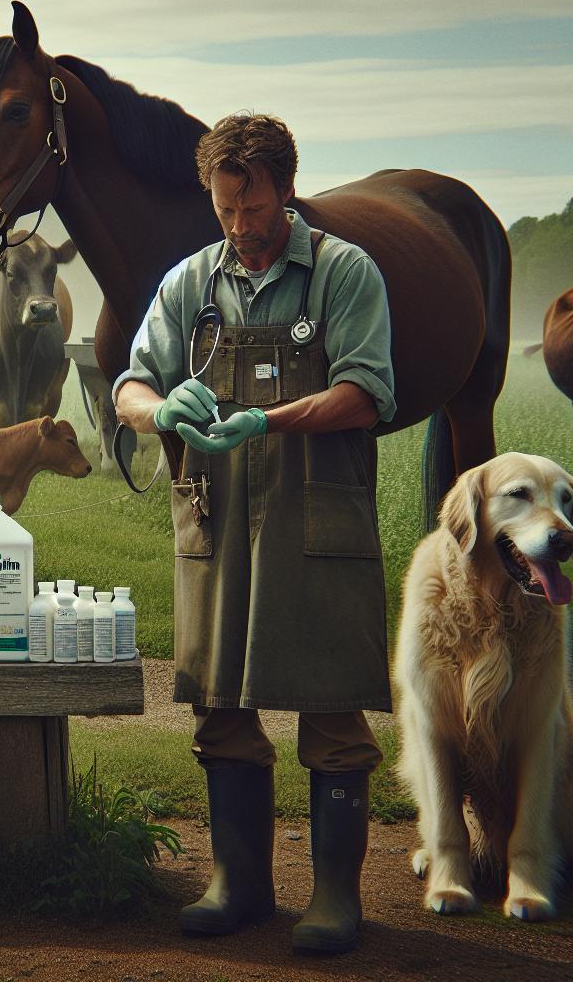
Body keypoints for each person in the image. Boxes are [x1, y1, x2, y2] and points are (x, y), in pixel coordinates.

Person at [112, 113, 396, 955]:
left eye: (257, 211)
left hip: (317, 516)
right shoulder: (188, 284)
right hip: (216, 519)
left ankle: (336, 899)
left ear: (287, 191)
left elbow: (366, 390)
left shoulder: (344, 274)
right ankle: (239, 884)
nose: (242, 230)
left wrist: (264, 422)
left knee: (332, 709)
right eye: (226, 211)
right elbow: (130, 383)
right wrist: (160, 408)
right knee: (219, 709)